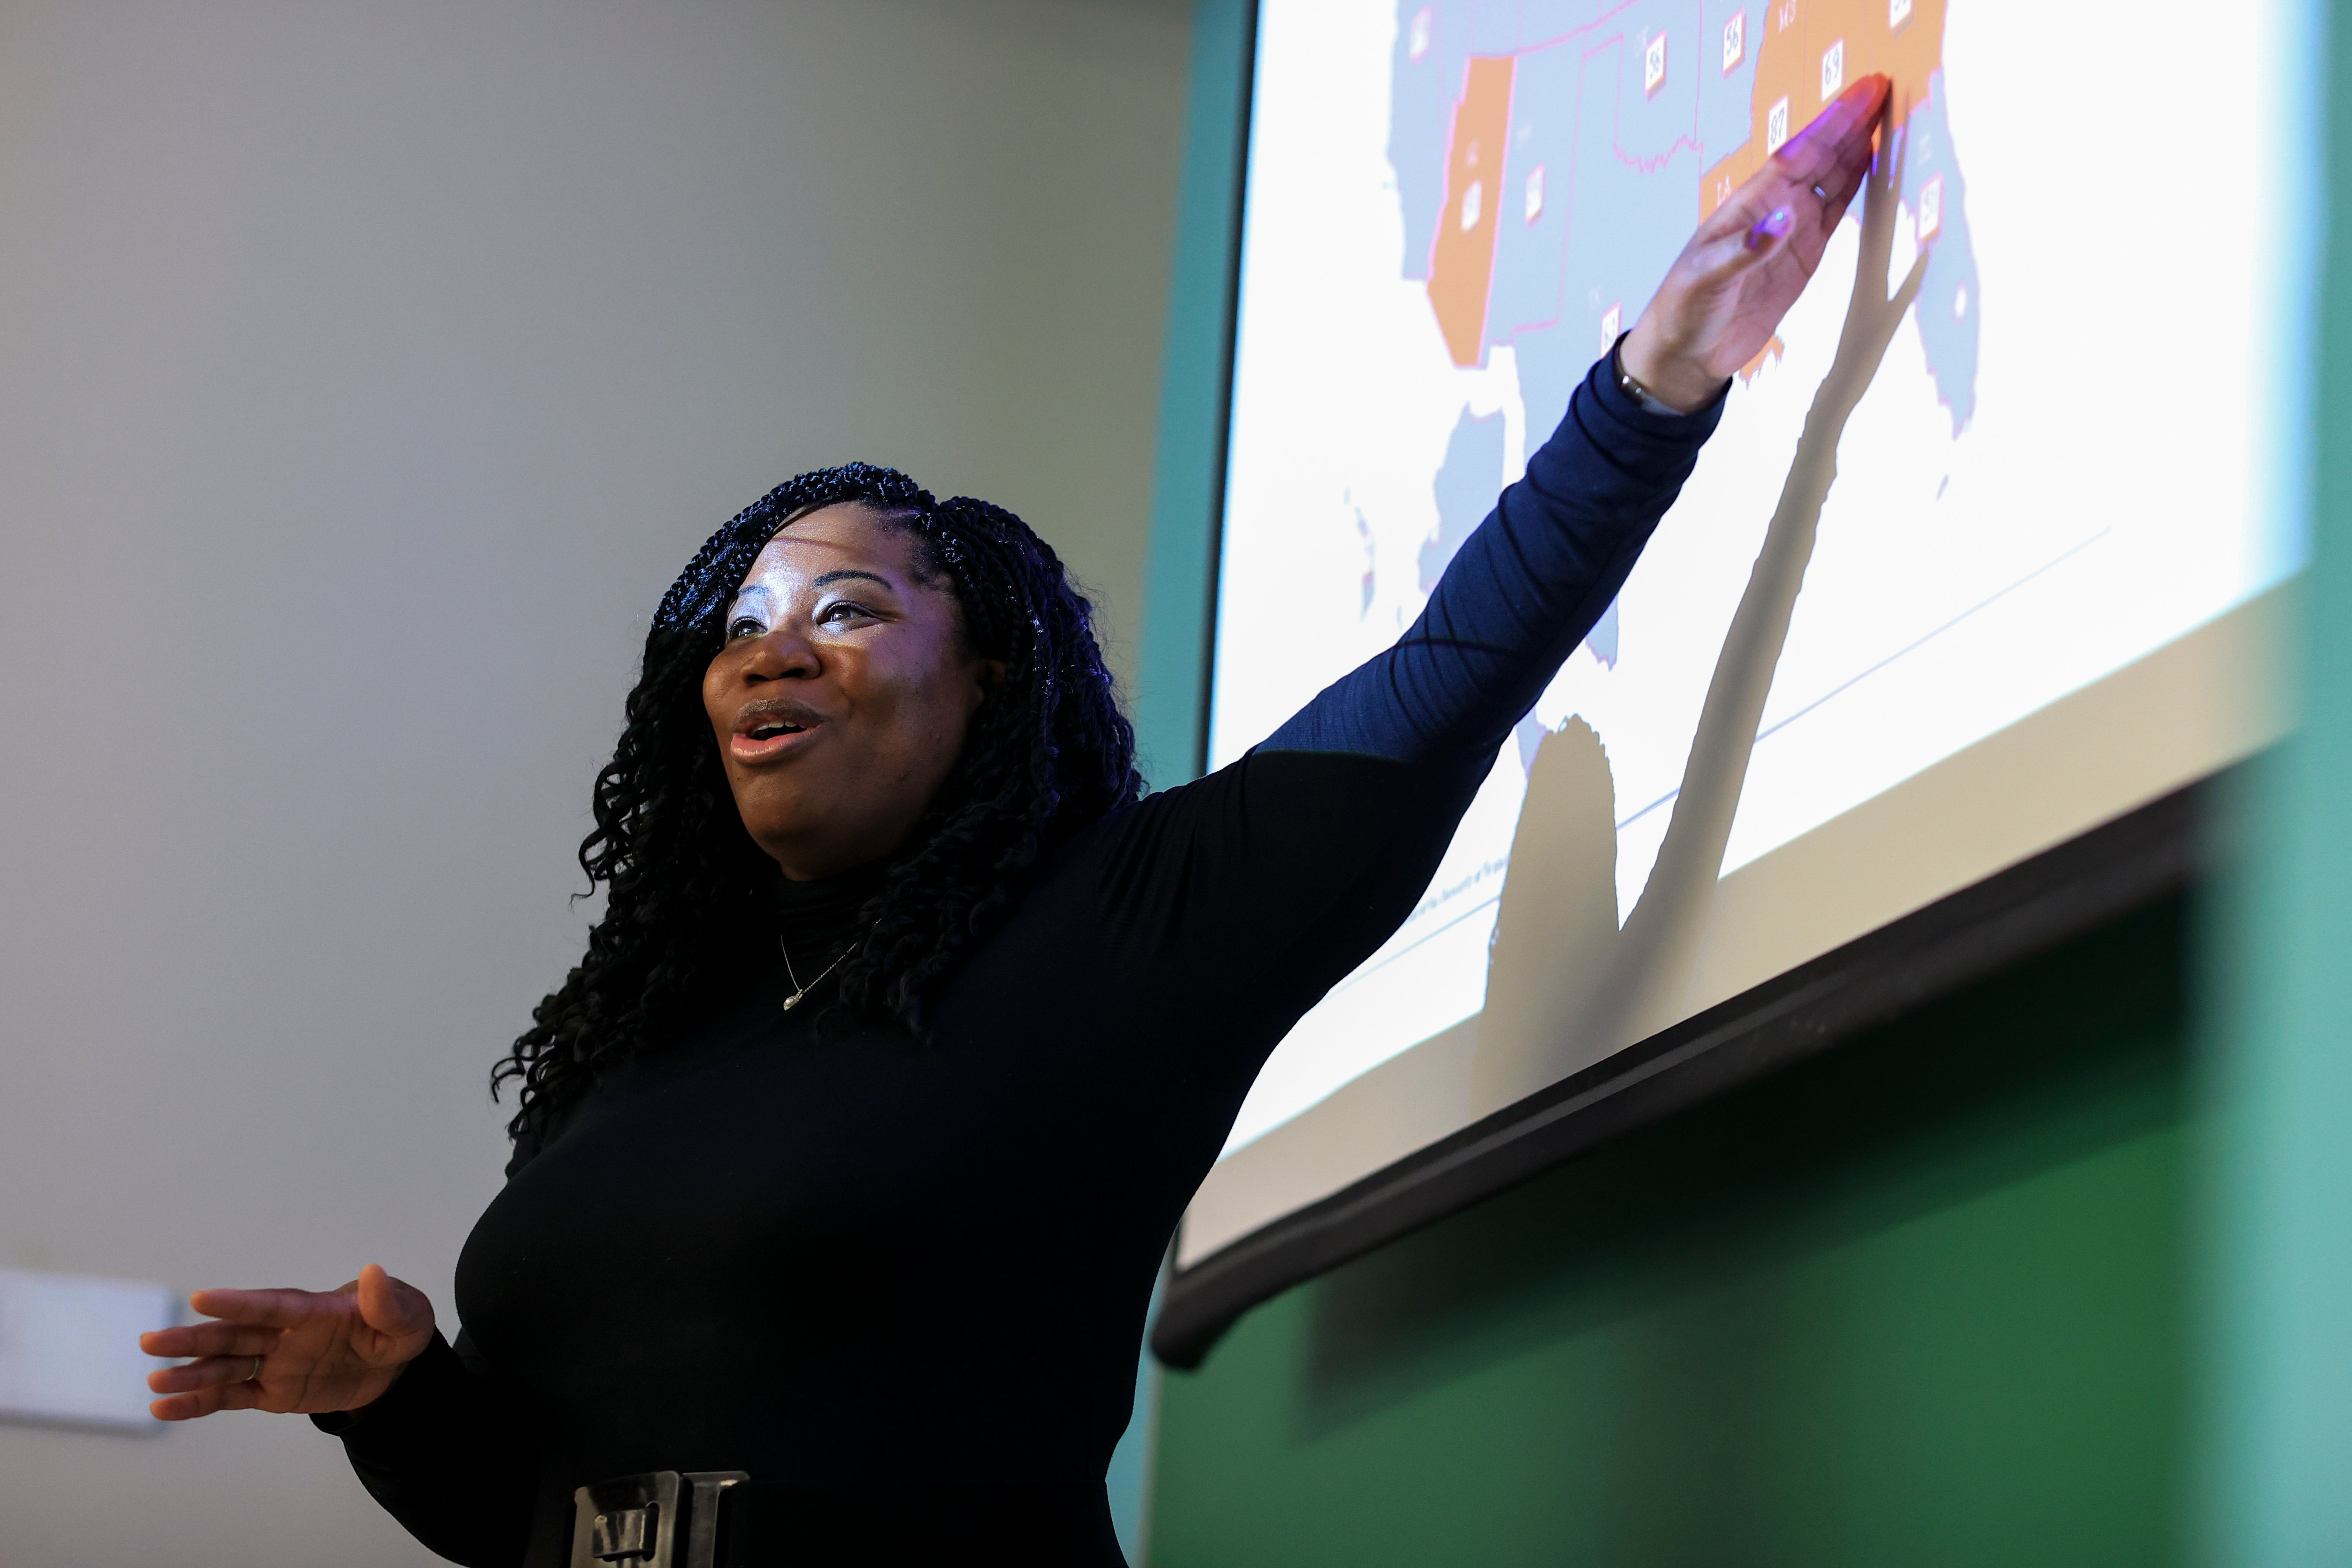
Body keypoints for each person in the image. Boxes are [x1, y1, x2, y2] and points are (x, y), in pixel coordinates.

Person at [139, 77, 1896, 1568]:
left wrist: (1652, 383)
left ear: (984, 672)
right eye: (740, 623)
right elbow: (560, 1512)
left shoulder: (1120, 927)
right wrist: (395, 1398)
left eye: (840, 610)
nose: (772, 651)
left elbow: (1452, 665)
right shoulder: (650, 1031)